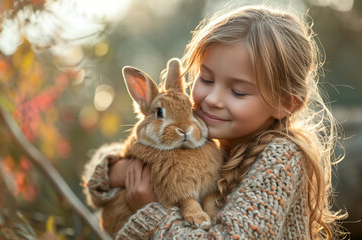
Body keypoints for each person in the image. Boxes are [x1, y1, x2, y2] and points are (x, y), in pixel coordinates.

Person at [82, 4, 347, 239]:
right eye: (206, 79)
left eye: (238, 91)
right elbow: (102, 178)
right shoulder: (204, 130)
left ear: (285, 104)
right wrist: (116, 170)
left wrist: (151, 210)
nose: (213, 99)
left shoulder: (281, 158)